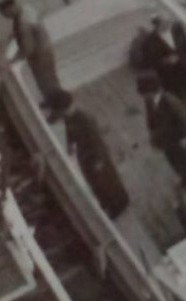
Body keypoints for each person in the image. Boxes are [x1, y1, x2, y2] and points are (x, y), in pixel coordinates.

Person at [51, 90, 129, 219]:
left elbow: (96, 140)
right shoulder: (69, 119)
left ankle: (119, 204)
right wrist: (70, 144)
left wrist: (98, 160)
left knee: (107, 181)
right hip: (85, 156)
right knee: (96, 183)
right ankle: (107, 204)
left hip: (96, 156)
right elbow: (70, 134)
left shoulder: (85, 119)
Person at [0, 0, 64, 111]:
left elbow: (28, 48)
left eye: (5, 13)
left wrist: (12, 60)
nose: (5, 17)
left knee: (47, 84)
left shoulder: (23, 23)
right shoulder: (27, 9)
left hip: (40, 56)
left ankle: (59, 109)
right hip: (46, 50)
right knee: (51, 81)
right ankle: (52, 102)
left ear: (11, 8)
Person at [134, 15, 186, 120]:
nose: (169, 23)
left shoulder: (177, 29)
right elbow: (149, 64)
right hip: (171, 77)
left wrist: (184, 59)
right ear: (157, 25)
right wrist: (165, 62)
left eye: (168, 21)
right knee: (181, 96)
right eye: (165, 22)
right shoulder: (149, 43)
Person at [140, 72, 186, 190]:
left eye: (144, 93)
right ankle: (185, 179)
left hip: (178, 139)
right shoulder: (149, 101)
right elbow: (151, 119)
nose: (143, 96)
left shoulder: (170, 101)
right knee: (173, 161)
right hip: (166, 141)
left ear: (151, 91)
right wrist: (154, 135)